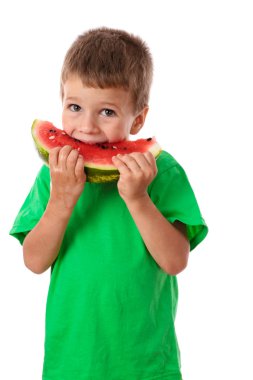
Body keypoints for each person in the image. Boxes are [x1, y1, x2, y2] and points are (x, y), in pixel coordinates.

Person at [10, 27, 208, 380]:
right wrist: (60, 201)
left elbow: (176, 261)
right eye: (74, 107)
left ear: (139, 118)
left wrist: (138, 197)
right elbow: (34, 261)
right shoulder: (53, 174)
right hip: (72, 362)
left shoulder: (162, 171)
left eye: (107, 112)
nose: (86, 127)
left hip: (147, 363)